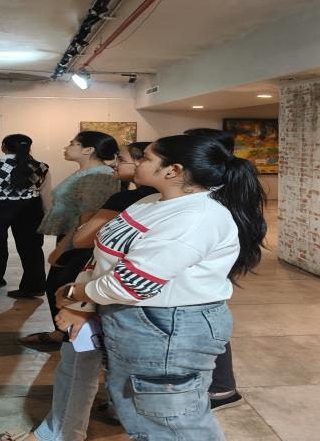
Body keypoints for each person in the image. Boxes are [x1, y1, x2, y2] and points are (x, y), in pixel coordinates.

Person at [55, 135, 266, 440]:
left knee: (171, 422)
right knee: (144, 415)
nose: (137, 162)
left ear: (173, 170)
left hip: (168, 327)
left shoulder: (196, 217)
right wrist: (84, 304)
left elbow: (133, 283)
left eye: (146, 158)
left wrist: (75, 293)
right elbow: (105, 255)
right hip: (137, 321)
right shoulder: (151, 201)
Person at [0, 141, 153, 441]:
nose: (115, 163)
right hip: (106, 289)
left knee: (82, 360)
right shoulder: (161, 202)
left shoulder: (132, 198)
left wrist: (77, 297)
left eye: (142, 158)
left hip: (102, 288)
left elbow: (91, 240)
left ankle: (59, 433)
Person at [18, 130, 119, 344]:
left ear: (88, 150)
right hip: (71, 237)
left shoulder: (99, 176)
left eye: (72, 143)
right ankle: (62, 333)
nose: (67, 147)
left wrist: (63, 247)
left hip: (79, 242)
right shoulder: (87, 172)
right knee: (59, 286)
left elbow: (88, 218)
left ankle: (69, 336)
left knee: (65, 286)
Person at [183, 127, 247, 411]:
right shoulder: (220, 186)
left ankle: (222, 388)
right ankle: (220, 386)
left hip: (211, 266)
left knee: (209, 322)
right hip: (216, 266)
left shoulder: (212, 193)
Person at [0, 134, 50, 295]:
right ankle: (34, 287)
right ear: (29, 148)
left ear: (3, 147)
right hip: (31, 209)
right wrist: (47, 213)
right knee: (32, 247)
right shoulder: (41, 167)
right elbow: (45, 193)